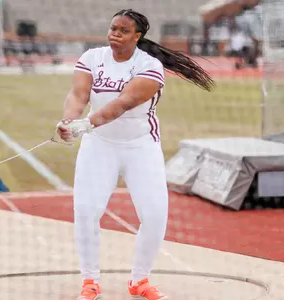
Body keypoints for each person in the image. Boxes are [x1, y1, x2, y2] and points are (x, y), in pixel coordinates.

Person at [56, 9, 214, 300]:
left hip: (141, 146)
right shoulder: (92, 58)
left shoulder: (149, 66)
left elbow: (123, 103)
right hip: (99, 145)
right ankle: (90, 280)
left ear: (137, 36)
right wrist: (69, 121)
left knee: (154, 216)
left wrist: (85, 124)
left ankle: (139, 281)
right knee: (87, 212)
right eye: (113, 28)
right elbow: (78, 95)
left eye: (123, 31)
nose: (115, 34)